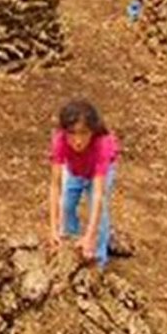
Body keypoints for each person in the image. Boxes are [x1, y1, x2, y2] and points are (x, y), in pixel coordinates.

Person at [48, 99, 121, 269]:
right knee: (66, 205)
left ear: (93, 131)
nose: (78, 141)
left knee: (100, 216)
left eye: (84, 133)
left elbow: (97, 195)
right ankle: (71, 244)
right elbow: (55, 186)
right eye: (72, 133)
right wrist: (53, 229)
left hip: (100, 172)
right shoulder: (59, 141)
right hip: (75, 169)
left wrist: (90, 235)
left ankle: (98, 259)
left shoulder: (102, 145)